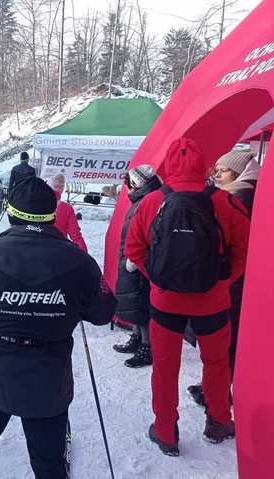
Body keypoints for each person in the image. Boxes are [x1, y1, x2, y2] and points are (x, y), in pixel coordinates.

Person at [0, 177, 116, 479]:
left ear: (11, 213)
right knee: (49, 464)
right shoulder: (79, 261)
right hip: (49, 382)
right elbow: (103, 312)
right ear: (53, 213)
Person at [125, 137, 250, 456]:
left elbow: (134, 250)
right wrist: (222, 281)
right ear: (203, 165)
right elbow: (243, 252)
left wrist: (159, 280)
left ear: (168, 165)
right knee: (217, 363)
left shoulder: (151, 202)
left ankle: (165, 431)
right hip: (213, 302)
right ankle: (219, 423)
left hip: (165, 302)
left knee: (165, 367)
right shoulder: (225, 202)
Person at [188, 150, 259, 405]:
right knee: (224, 336)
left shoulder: (241, 198)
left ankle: (217, 392)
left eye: (223, 170)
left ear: (239, 173)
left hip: (236, 280)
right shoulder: (237, 195)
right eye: (215, 169)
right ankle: (213, 386)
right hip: (235, 278)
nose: (217, 174)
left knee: (227, 336)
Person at [113, 165, 162, 368]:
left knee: (141, 303)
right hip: (131, 258)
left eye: (129, 184)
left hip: (138, 260)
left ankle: (147, 347)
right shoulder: (139, 201)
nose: (127, 188)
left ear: (138, 184)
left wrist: (135, 258)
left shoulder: (147, 202)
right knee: (134, 301)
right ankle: (137, 338)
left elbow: (150, 232)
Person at [47, 173, 88, 252]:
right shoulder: (66, 208)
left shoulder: (36, 203)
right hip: (59, 250)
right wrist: (86, 257)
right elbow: (76, 236)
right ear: (62, 189)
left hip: (38, 250)